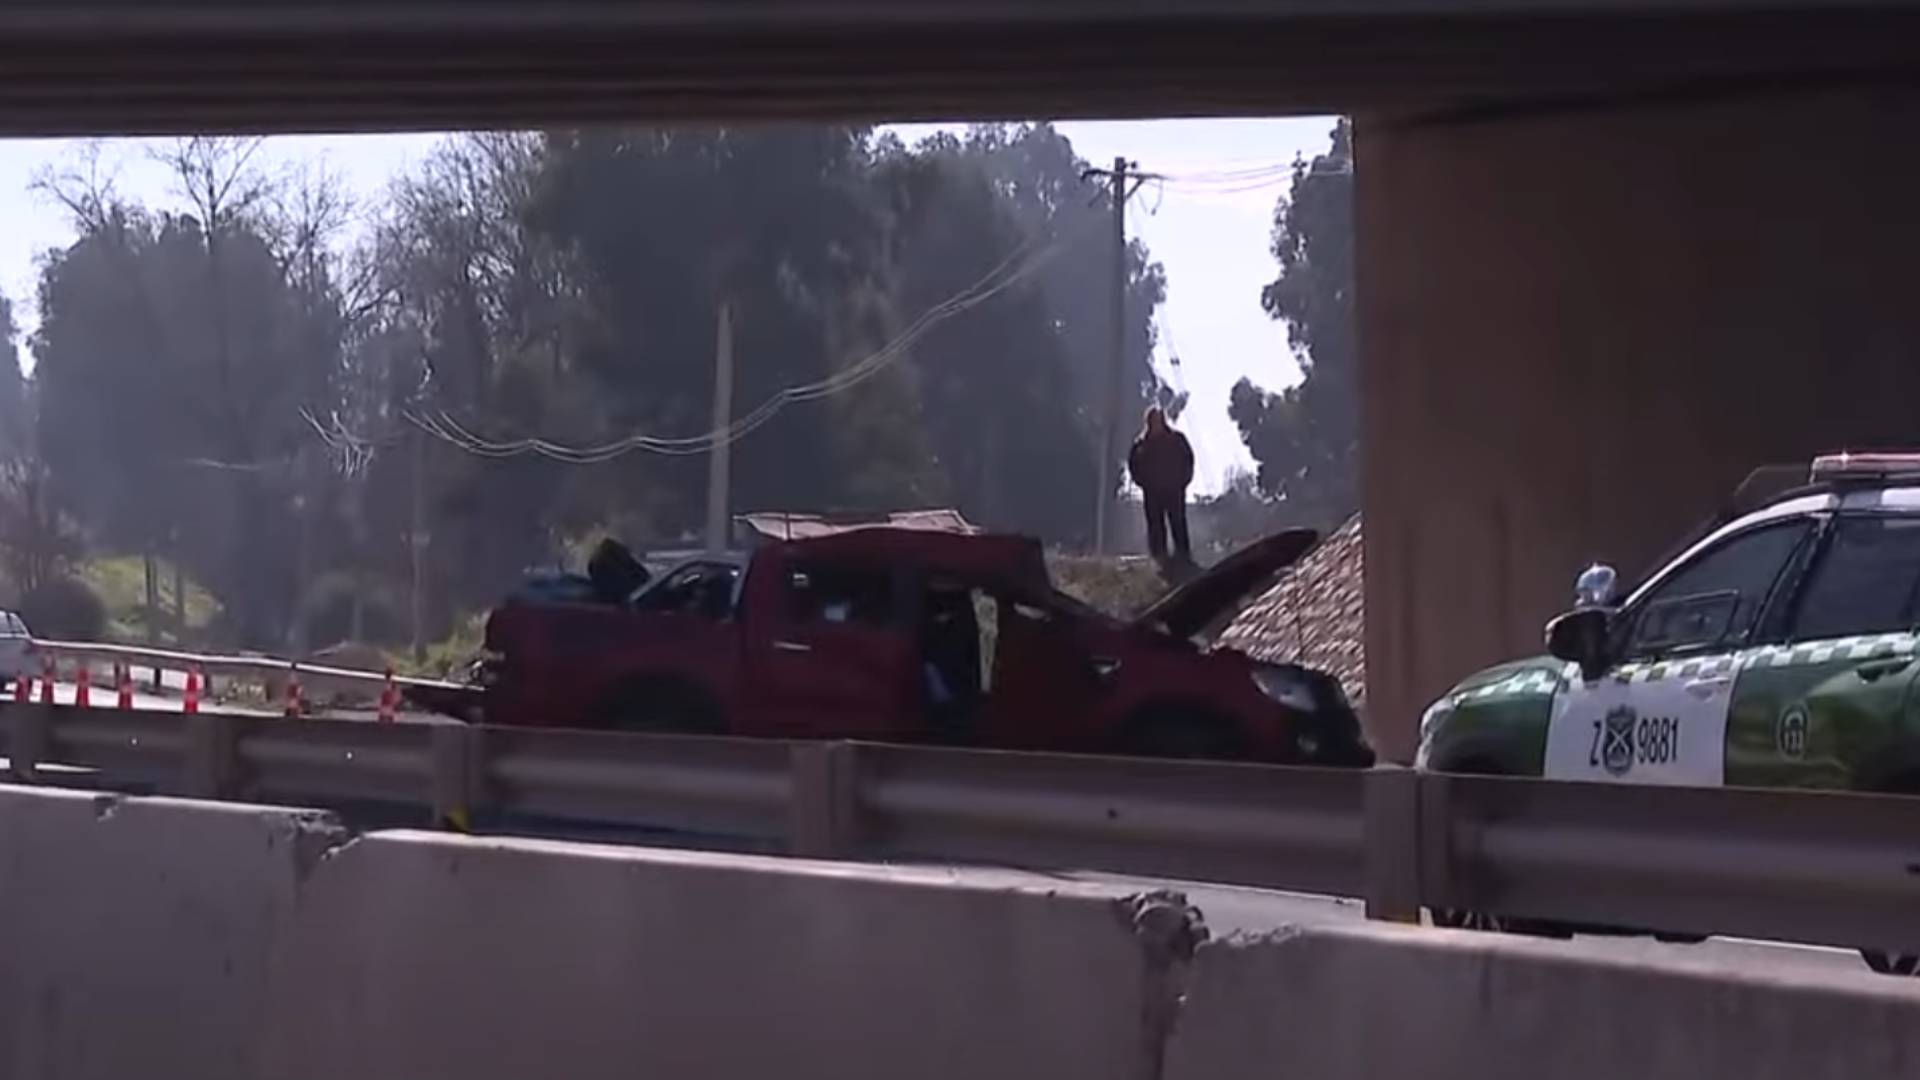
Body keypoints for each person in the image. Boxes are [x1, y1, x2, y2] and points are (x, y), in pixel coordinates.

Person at [1127, 405, 1195, 566]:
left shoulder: (1176, 440)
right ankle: (1160, 558)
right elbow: (1134, 465)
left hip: (1174, 491)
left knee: (1178, 523)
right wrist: (1143, 483)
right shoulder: (1142, 445)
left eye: (1159, 420)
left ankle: (1183, 557)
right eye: (1153, 421)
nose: (1156, 424)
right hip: (1152, 492)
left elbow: (1188, 460)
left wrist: (1183, 481)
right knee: (1155, 526)